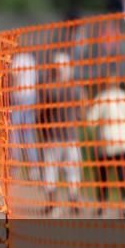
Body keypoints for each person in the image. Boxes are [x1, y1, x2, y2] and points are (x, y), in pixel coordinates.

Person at [39, 52, 86, 216]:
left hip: (52, 137)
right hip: (69, 137)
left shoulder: (47, 88)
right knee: (71, 172)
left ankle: (53, 204)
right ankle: (74, 203)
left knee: (51, 172)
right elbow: (82, 111)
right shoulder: (76, 89)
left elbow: (41, 113)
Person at [86, 79, 125, 218]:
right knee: (124, 175)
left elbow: (90, 121)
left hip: (108, 143)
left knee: (102, 174)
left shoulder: (102, 97)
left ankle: (102, 205)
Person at [9, 52, 41, 183]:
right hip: (30, 97)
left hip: (20, 97)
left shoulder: (18, 58)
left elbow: (14, 75)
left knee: (14, 131)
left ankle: (14, 166)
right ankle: (34, 170)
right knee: (27, 134)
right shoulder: (31, 58)